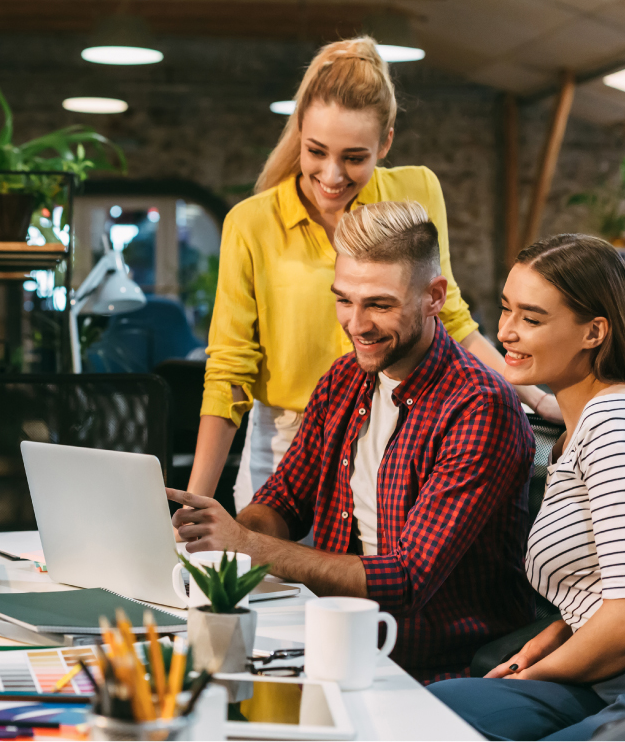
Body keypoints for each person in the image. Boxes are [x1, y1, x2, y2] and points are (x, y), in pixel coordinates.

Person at [168, 200, 535, 682]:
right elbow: (283, 501)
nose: (356, 325)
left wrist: (250, 545)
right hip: (332, 640)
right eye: (344, 299)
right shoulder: (345, 378)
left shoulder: (478, 406)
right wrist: (223, 543)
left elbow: (404, 579)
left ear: (434, 297)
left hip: (436, 669)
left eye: (379, 304)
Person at [189, 36, 559, 512]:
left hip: (398, 427)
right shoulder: (251, 222)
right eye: (316, 151)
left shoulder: (416, 189)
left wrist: (537, 399)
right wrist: (194, 501)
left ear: (385, 142)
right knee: (271, 578)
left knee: (376, 581)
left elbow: (449, 317)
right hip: (286, 443)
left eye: (354, 157)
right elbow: (229, 372)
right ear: (298, 131)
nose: (332, 174)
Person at [428, 234, 625, 740]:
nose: (506, 333)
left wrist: (537, 674)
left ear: (594, 332)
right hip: (598, 673)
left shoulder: (612, 424)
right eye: (506, 310)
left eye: (532, 319)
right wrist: (548, 641)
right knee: (429, 709)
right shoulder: (577, 427)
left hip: (614, 681)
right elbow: (603, 587)